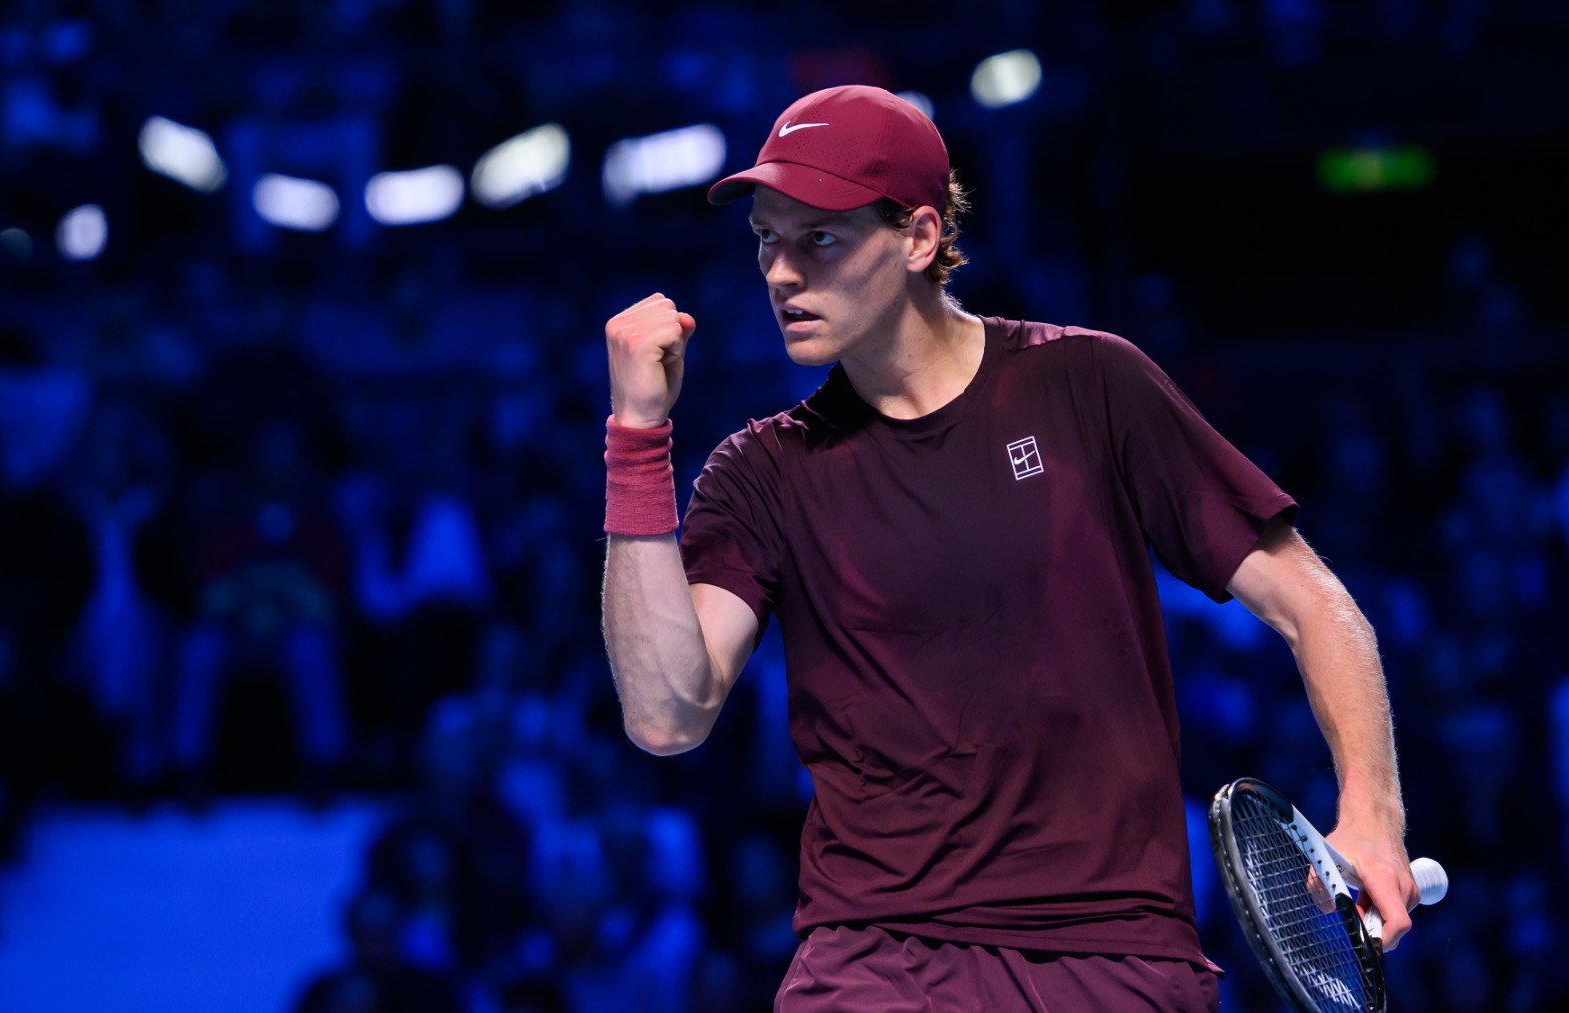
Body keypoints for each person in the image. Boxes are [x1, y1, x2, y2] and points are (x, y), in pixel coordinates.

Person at [599, 84, 1420, 1011]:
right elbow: (667, 715)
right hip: (877, 963)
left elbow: (1313, 602)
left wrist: (1373, 815)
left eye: (817, 239)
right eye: (765, 241)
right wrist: (636, 435)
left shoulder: (1088, 384)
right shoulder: (764, 472)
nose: (781, 273)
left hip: (1118, 959)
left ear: (916, 238)